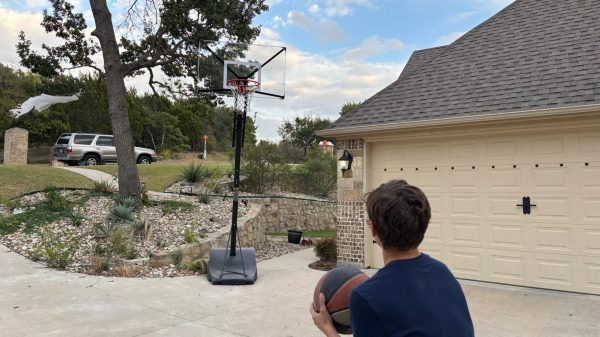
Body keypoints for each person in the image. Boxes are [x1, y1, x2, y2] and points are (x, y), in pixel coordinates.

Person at [310, 180, 474, 337]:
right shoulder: (442, 272)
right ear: (424, 224)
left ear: (373, 229)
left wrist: (327, 329)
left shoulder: (366, 297)